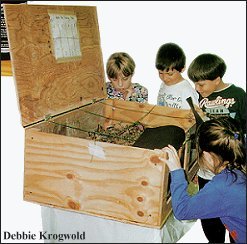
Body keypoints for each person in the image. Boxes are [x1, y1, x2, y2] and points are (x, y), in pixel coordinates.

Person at [157, 117, 246, 244]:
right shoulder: (239, 164)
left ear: (209, 156)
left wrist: (176, 171)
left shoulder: (223, 187)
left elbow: (182, 211)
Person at [187, 53, 246, 243]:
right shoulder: (198, 96)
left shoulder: (238, 95)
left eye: (201, 84)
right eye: (195, 83)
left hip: (231, 167)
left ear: (217, 79)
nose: (197, 88)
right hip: (207, 168)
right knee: (209, 215)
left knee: (232, 215)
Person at [155, 43, 198, 109]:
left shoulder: (186, 91)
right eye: (160, 73)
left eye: (170, 74)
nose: (165, 78)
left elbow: (193, 116)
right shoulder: (163, 85)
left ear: (182, 69)